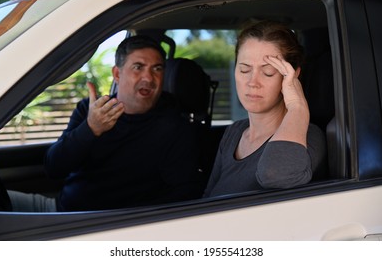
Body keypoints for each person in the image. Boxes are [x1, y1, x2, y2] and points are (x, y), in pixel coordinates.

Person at [44, 35, 203, 211]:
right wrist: (90, 129)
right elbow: (54, 168)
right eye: (138, 67)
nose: (149, 78)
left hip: (106, 227)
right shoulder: (92, 110)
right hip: (58, 210)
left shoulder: (175, 127)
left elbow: (185, 194)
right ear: (117, 74)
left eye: (157, 69)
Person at [203, 20, 327, 197]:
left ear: (292, 76)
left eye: (268, 72)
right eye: (244, 70)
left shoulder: (308, 137)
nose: (252, 82)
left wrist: (297, 106)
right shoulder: (234, 132)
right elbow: (208, 196)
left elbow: (276, 175)